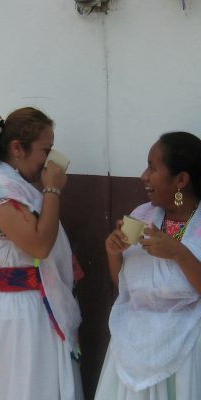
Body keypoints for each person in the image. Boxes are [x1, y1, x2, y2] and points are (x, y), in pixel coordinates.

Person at [0, 107, 83, 400]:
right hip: (17, 314)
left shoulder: (18, 190)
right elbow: (38, 245)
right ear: (17, 148)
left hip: (33, 309)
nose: (48, 160)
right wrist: (53, 189)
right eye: (45, 150)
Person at [95, 131, 201, 399]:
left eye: (152, 168)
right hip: (131, 347)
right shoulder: (142, 216)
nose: (144, 176)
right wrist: (113, 253)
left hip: (185, 351)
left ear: (181, 180)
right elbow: (125, 285)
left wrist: (178, 252)